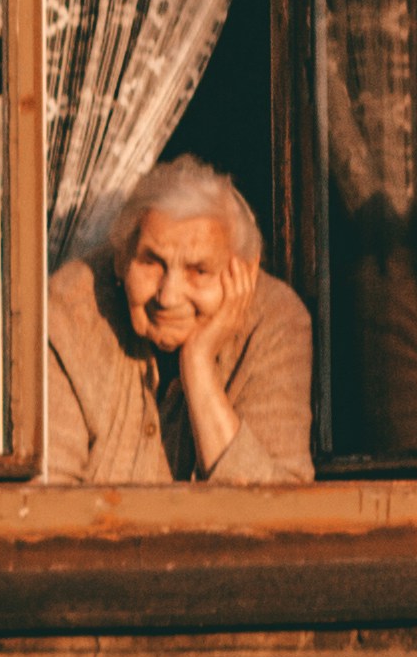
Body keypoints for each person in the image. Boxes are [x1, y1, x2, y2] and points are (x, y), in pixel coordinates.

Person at [41, 158, 316, 485]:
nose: (168, 296)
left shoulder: (275, 323)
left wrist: (198, 367)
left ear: (242, 273)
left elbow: (280, 514)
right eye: (151, 262)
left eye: (198, 271)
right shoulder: (69, 312)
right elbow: (46, 501)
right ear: (120, 259)